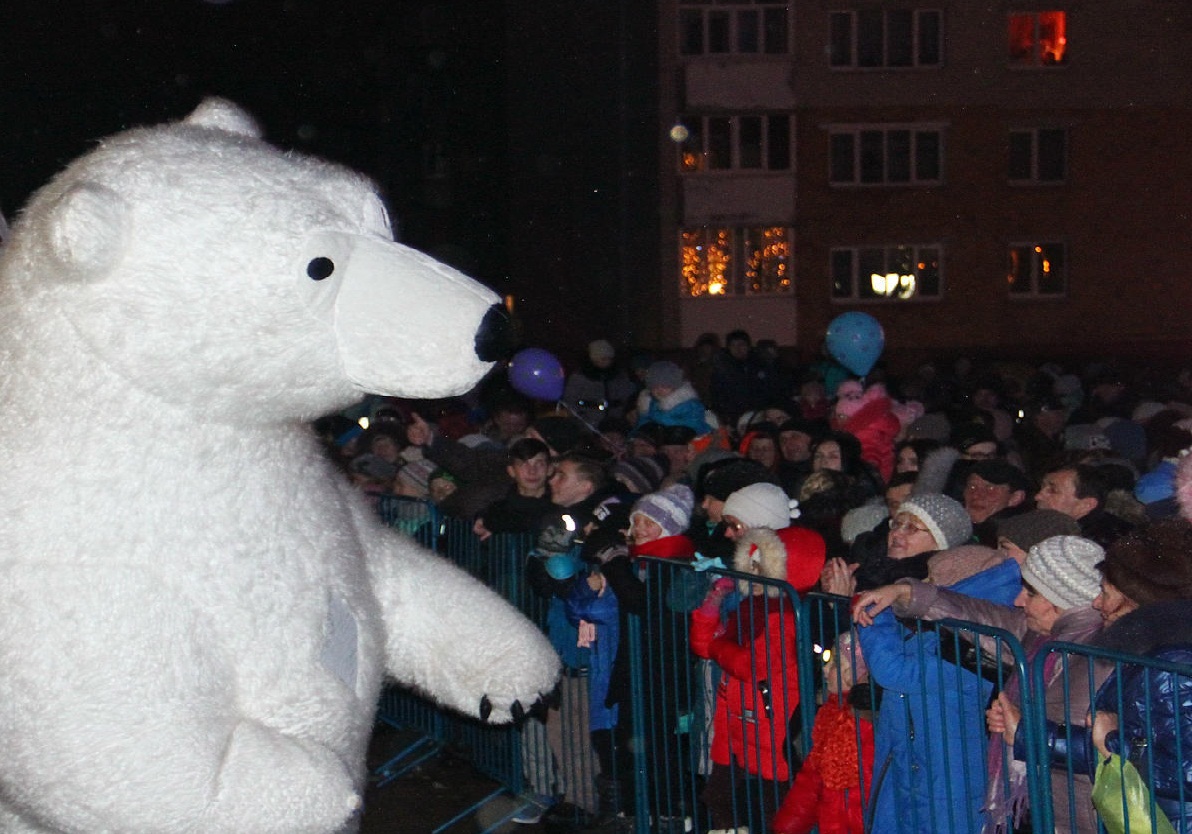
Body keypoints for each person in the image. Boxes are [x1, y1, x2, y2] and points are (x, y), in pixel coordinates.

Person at [854, 534, 1108, 834]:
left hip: (1073, 818)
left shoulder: (1093, 656)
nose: (1017, 600)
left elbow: (1103, 751)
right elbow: (980, 617)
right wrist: (905, 592)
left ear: (1058, 599)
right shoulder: (1043, 636)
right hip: (1032, 806)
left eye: (1030, 593)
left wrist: (1024, 732)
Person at [690, 494, 827, 832]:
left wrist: (722, 645)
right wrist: (713, 601)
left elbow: (753, 665)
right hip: (737, 720)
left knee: (772, 805)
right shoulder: (753, 607)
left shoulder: (785, 616)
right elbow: (702, 645)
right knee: (721, 799)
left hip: (767, 724)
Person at [770, 631, 875, 834]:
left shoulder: (864, 723)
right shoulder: (832, 712)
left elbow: (857, 800)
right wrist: (787, 826)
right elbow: (811, 778)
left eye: (834, 662)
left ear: (857, 672)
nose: (825, 670)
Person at [472, 437, 555, 540]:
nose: (532, 471)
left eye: (539, 464)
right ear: (511, 471)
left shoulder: (559, 512)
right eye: (523, 464)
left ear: (550, 469)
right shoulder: (495, 512)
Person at [1035, 463, 1134, 547]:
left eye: (1052, 490)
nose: (1037, 496)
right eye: (1042, 487)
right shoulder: (1039, 528)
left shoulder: (1097, 547)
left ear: (1086, 505)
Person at [563, 339, 639, 427]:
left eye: (609, 358)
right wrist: (579, 418)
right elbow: (570, 400)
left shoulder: (618, 376)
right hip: (588, 422)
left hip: (614, 421)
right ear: (594, 358)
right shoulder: (579, 377)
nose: (607, 362)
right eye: (603, 359)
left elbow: (628, 395)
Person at [634, 360, 716, 437]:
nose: (659, 390)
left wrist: (663, 421)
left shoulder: (689, 404)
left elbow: (694, 424)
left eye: (665, 385)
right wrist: (637, 435)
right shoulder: (652, 403)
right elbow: (644, 422)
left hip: (693, 440)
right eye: (654, 386)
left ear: (675, 386)